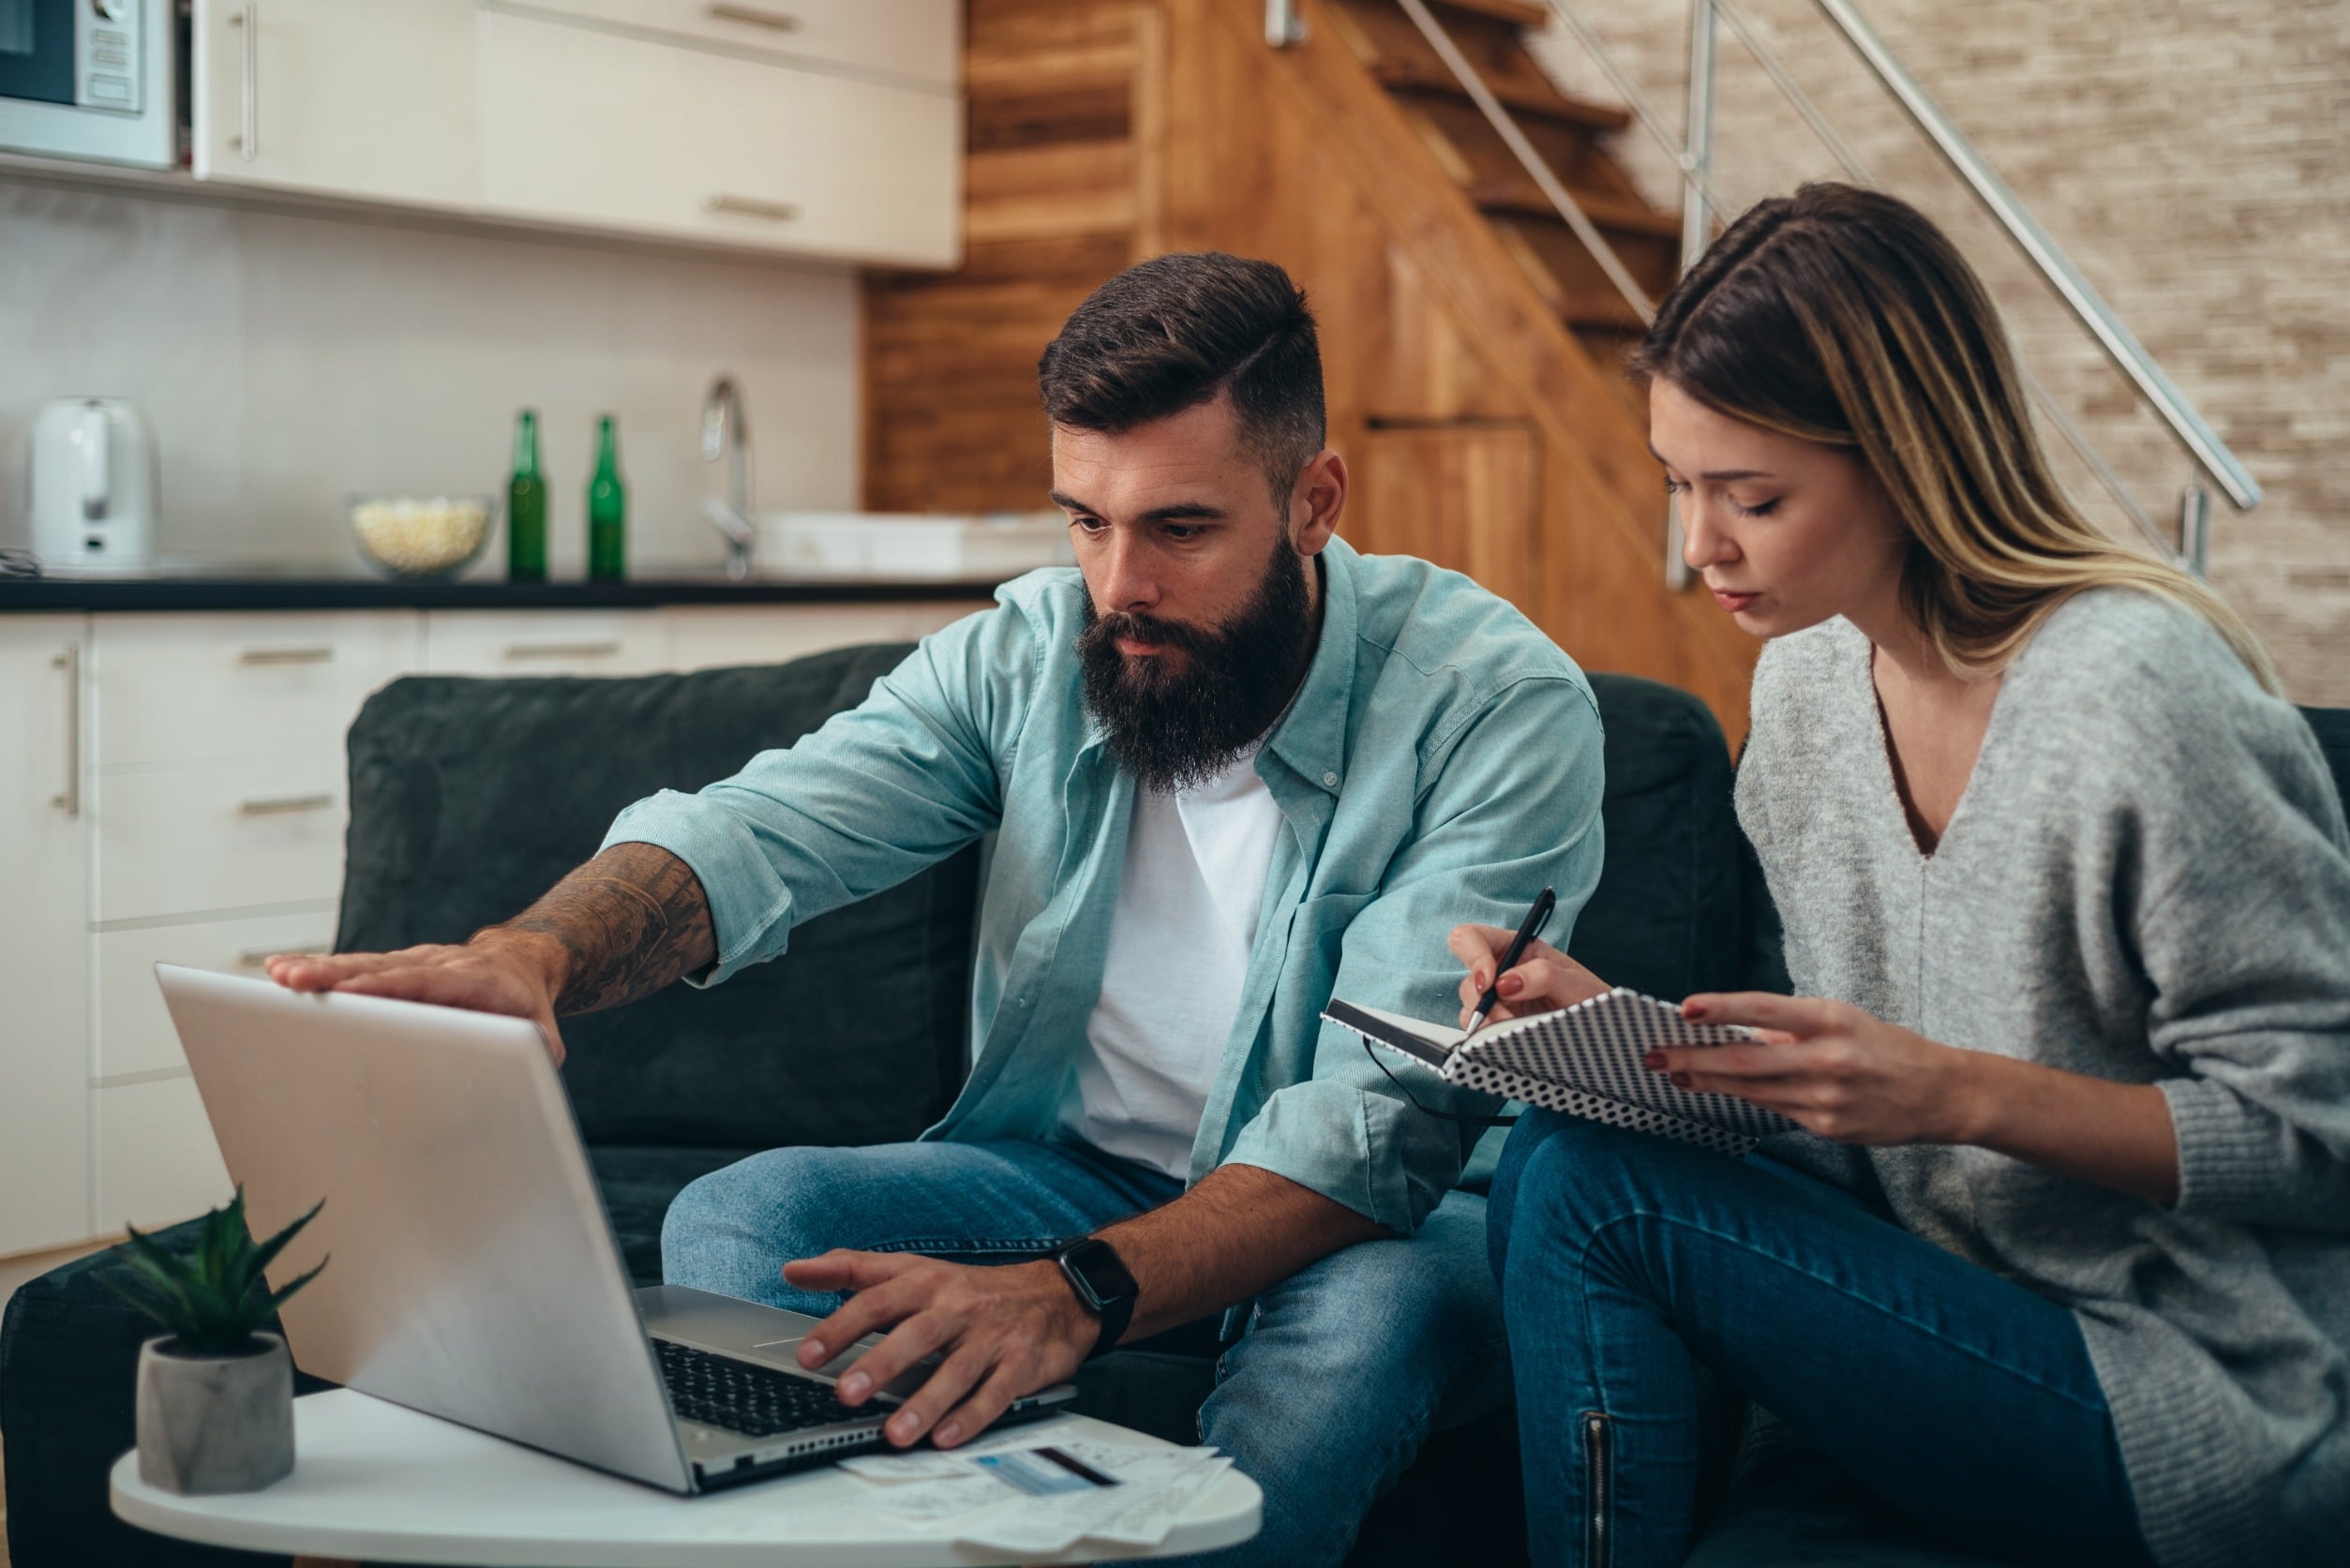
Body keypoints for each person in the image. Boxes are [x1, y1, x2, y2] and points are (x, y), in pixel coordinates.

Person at [271, 251, 1607, 1567]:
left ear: (1313, 502)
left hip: (1386, 1218)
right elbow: (763, 825)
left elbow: (1372, 1127)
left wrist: (1076, 1292)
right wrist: (535, 955)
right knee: (743, 1225)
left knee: (1360, 1334)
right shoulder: (1031, 651)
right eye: (1085, 518)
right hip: (1074, 1171)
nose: (1118, 584)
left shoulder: (1491, 706)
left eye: (1179, 527)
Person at [1451, 184, 2350, 1568]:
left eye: (1753, 496)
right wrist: (1627, 1034)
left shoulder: (2138, 698)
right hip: (1956, 1310)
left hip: (2195, 1391)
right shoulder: (1806, 690)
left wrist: (1960, 1092)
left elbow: (2323, 1132)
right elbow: (1875, 1119)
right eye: (1680, 484)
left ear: (1907, 460)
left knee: (1593, 1193)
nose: (1699, 548)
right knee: (1568, 1145)